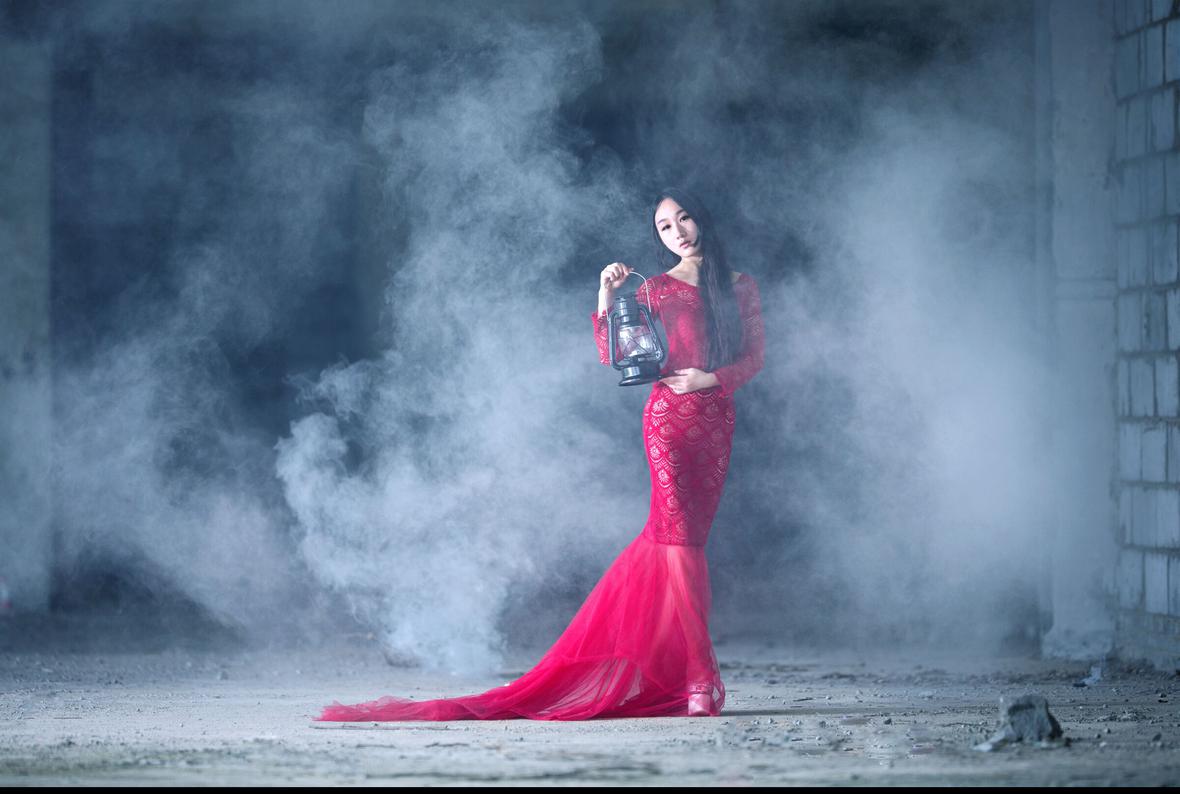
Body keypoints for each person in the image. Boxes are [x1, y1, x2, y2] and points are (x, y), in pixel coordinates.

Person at [314, 188, 765, 722]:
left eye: (684, 219)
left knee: (677, 543)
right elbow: (613, 354)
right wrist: (606, 294)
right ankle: (700, 678)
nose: (678, 232)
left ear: (701, 218)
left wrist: (709, 379)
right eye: (665, 227)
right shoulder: (655, 288)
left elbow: (753, 358)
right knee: (680, 539)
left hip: (715, 424)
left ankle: (672, 671)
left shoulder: (740, 286)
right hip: (667, 422)